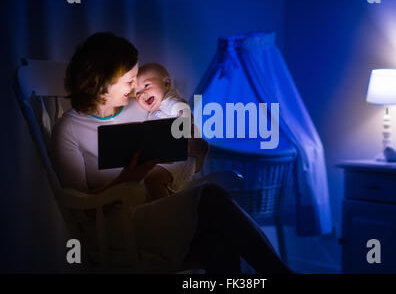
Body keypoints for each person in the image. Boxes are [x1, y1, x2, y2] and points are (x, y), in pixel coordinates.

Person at [51, 32, 293, 274]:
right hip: (119, 225)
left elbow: (177, 118)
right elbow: (80, 205)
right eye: (128, 80)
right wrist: (124, 181)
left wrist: (191, 142)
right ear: (102, 83)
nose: (135, 86)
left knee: (218, 240)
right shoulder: (69, 129)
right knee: (211, 199)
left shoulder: (143, 106)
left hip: (159, 208)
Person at [134, 62, 207, 201]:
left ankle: (166, 214)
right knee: (151, 184)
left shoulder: (170, 101)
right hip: (169, 159)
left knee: (152, 181)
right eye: (137, 93)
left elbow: (182, 109)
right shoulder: (155, 110)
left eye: (146, 85)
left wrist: (184, 120)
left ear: (167, 83)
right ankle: (166, 207)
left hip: (181, 157)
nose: (142, 93)